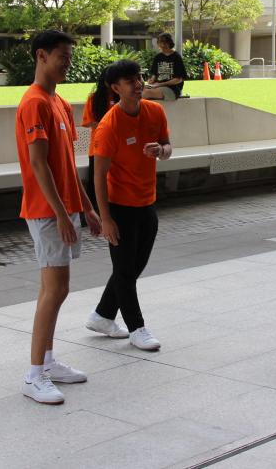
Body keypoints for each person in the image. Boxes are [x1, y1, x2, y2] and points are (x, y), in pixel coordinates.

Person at [16, 30, 102, 405]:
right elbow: (37, 164)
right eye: (62, 56)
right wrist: (60, 214)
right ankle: (34, 374)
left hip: (64, 208)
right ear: (41, 56)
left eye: (70, 56)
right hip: (47, 210)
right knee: (55, 290)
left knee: (56, 288)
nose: (68, 62)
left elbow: (67, 163)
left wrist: (85, 207)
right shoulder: (33, 103)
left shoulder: (61, 104)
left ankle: (47, 363)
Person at [87, 59, 172, 351]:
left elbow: (168, 146)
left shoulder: (155, 111)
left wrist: (161, 150)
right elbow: (97, 176)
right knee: (124, 271)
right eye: (129, 80)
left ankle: (102, 315)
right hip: (119, 206)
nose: (137, 84)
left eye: (138, 77)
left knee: (134, 266)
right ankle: (137, 328)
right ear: (115, 88)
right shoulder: (109, 126)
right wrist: (105, 218)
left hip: (147, 202)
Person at [80, 69, 118, 214]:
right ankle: (92, 211)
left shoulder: (121, 96)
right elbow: (88, 122)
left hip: (118, 147)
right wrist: (106, 126)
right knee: (95, 180)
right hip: (98, 147)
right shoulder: (94, 98)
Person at [143, 32, 187, 101]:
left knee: (145, 93)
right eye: (160, 42)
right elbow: (154, 74)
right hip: (156, 87)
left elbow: (178, 79)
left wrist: (160, 84)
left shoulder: (176, 57)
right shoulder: (158, 57)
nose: (163, 45)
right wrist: (151, 80)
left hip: (172, 89)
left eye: (165, 42)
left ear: (170, 43)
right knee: (138, 90)